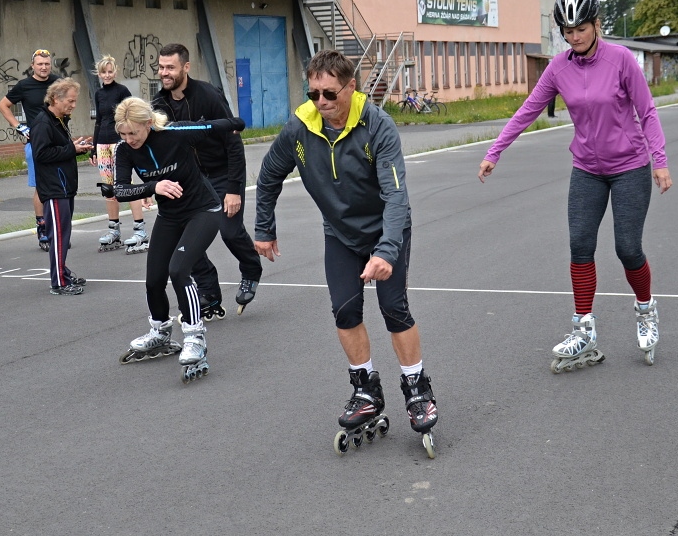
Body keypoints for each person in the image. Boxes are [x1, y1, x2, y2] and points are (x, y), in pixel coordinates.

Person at [477, 0, 672, 372]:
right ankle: (583, 330)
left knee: (627, 248)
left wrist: (659, 160)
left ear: (596, 24)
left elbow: (647, 111)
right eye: (567, 31)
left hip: (630, 166)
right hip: (586, 169)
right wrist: (494, 151)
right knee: (580, 245)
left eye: (580, 28)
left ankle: (646, 310)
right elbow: (529, 109)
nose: (574, 37)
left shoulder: (620, 60)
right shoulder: (559, 67)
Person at [253, 50, 438, 455]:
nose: (321, 102)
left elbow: (396, 196)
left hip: (386, 230)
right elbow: (268, 176)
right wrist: (264, 228)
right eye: (313, 93)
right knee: (344, 311)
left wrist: (386, 252)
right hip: (340, 233)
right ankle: (365, 389)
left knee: (394, 309)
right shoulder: (300, 127)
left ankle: (417, 388)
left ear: (351, 87)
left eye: (329, 93)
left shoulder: (378, 126)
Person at [108, 96, 245, 382]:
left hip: (203, 210)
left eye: (133, 132)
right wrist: (153, 186)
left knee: (179, 269)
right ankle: (160, 331)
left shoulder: (174, 133)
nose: (129, 139)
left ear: (148, 123)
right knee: (154, 279)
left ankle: (194, 336)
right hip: (169, 216)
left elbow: (211, 126)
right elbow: (119, 190)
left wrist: (236, 124)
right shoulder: (123, 150)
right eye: (123, 133)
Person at [151, 43, 262, 319]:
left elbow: (233, 142)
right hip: (192, 180)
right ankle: (209, 292)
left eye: (170, 67)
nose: (164, 73)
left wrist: (234, 189)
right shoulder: (158, 104)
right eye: (161, 67)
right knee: (186, 236)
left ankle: (251, 268)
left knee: (230, 231)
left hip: (222, 173)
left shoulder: (208, 95)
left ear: (186, 67)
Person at [31, 78, 93, 295]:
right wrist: (71, 149)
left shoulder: (59, 120)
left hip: (65, 187)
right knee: (58, 237)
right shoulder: (43, 123)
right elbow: (41, 154)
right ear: (56, 99)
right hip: (54, 188)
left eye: (75, 101)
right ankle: (59, 282)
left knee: (64, 235)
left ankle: (63, 273)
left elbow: (59, 150)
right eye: (70, 101)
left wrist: (76, 148)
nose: (73, 105)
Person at [0, 48, 58, 251]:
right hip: (37, 142)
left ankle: (57, 229)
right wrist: (19, 126)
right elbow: (3, 105)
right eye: (40, 64)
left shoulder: (58, 83)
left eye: (47, 64)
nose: (43, 67)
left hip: (58, 141)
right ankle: (42, 228)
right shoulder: (24, 86)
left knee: (59, 187)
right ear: (33, 66)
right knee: (41, 187)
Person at [89, 54, 148, 253]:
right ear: (99, 74)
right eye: (103, 72)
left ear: (115, 72)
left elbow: (132, 116)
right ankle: (114, 230)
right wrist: (93, 147)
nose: (107, 75)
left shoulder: (122, 91)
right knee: (108, 188)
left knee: (125, 184)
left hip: (119, 142)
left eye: (110, 71)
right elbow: (98, 121)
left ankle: (140, 229)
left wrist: (133, 139)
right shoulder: (98, 93)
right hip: (102, 143)